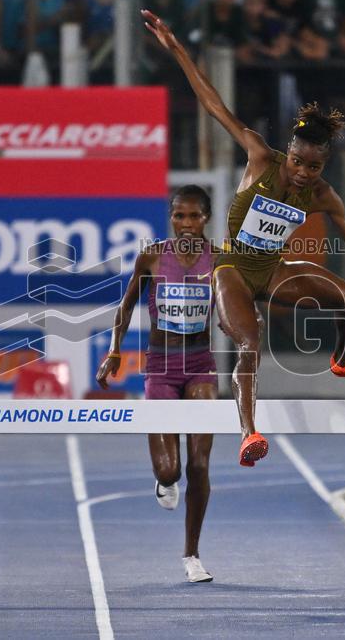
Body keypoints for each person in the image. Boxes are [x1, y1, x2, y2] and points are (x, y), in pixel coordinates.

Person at [141, 8, 345, 466]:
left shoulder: (322, 194)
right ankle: (248, 433)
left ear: (324, 165)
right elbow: (213, 104)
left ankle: (343, 360)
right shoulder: (261, 157)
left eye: (313, 166)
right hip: (233, 271)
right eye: (298, 161)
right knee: (249, 341)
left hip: (274, 272)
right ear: (289, 153)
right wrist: (179, 49)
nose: (302, 173)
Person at [96, 185, 218, 584]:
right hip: (162, 368)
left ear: (206, 219)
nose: (186, 223)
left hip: (200, 367)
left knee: (199, 464)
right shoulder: (152, 256)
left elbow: (238, 303)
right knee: (171, 470)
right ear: (171, 218)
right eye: (179, 216)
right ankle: (164, 479)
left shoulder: (219, 260)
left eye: (194, 216)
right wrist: (114, 350)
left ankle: (192, 554)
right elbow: (127, 304)